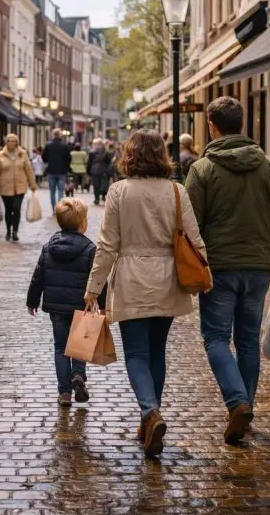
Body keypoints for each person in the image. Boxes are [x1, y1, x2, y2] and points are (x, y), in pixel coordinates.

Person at [84, 129, 207, 458]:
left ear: (129, 155)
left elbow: (107, 246)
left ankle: (150, 411)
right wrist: (202, 275)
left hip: (133, 279)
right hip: (168, 280)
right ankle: (150, 416)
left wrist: (93, 288)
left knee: (137, 354)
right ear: (163, 155)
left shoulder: (119, 191)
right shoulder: (177, 191)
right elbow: (195, 241)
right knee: (156, 352)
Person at [185, 96, 270, 445]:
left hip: (219, 269)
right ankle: (244, 411)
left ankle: (238, 403)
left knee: (216, 338)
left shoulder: (202, 170)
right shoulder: (269, 167)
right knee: (247, 340)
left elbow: (191, 226)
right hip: (258, 268)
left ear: (212, 126)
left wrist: (189, 269)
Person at [26, 198, 105, 406]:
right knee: (79, 346)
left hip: (57, 308)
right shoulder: (89, 249)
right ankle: (78, 376)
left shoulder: (48, 247)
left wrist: (32, 300)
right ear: (83, 223)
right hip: (82, 305)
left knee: (61, 348)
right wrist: (103, 304)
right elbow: (97, 279)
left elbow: (38, 276)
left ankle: (64, 393)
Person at [0, 133, 36, 242]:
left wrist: (32, 184)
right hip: (5, 187)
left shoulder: (22, 154)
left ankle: (15, 231)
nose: (11, 142)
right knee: (8, 210)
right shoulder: (0, 155)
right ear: (6, 142)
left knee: (16, 208)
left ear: (17, 142)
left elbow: (28, 169)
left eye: (13, 140)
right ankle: (8, 230)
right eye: (9, 140)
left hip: (20, 187)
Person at [42, 130, 72, 209]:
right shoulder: (64, 146)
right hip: (62, 171)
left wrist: (49, 161)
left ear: (53, 135)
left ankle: (53, 209)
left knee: (52, 192)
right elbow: (69, 158)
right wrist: (66, 166)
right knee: (61, 191)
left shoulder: (48, 145)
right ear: (60, 135)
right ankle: (60, 209)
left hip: (51, 171)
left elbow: (44, 157)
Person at [87, 138, 109, 206]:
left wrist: (88, 172)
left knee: (96, 185)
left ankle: (96, 199)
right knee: (103, 184)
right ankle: (103, 196)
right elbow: (108, 161)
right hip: (103, 170)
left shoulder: (91, 152)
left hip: (94, 170)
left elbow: (89, 163)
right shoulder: (105, 152)